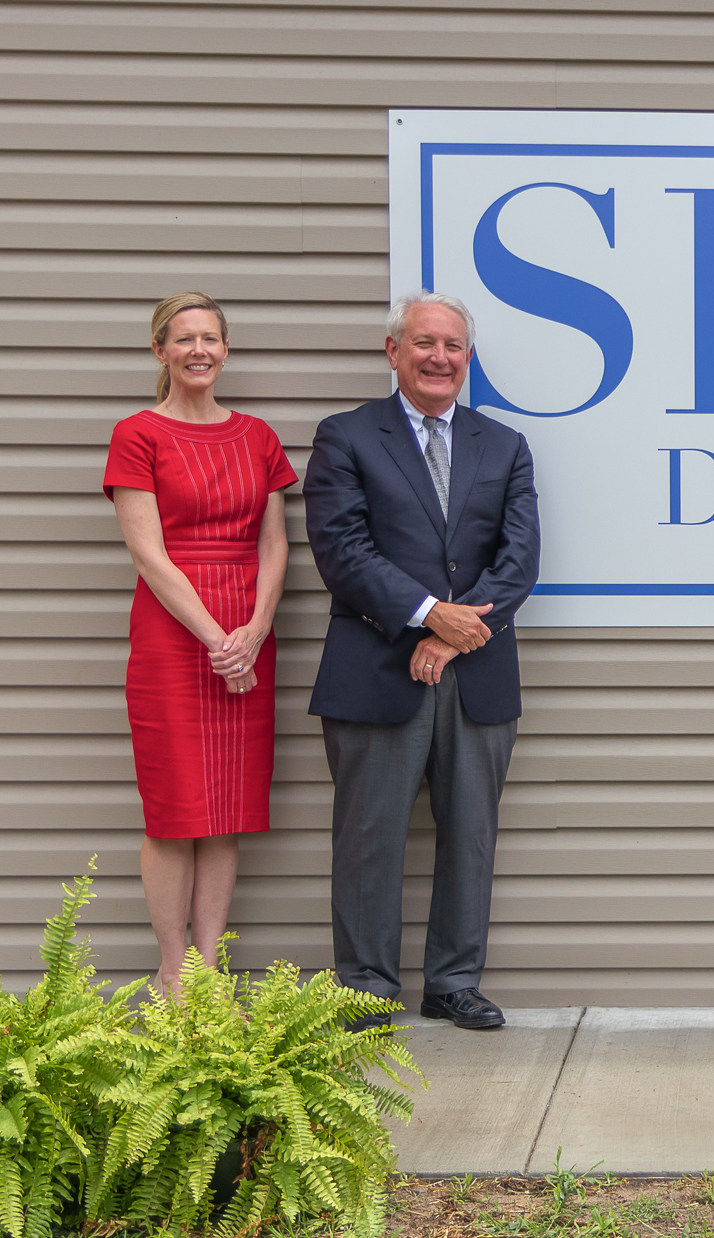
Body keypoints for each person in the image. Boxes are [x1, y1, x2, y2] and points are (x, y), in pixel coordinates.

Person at [304, 290, 539, 1030]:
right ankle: (366, 987)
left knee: (470, 835)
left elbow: (520, 557)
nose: (440, 358)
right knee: (369, 836)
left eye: (454, 347)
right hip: (377, 669)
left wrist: (455, 631)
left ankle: (453, 980)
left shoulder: (502, 445)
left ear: (468, 359)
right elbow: (342, 551)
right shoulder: (345, 437)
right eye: (426, 343)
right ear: (394, 350)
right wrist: (424, 614)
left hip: (477, 676)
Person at [105, 292, 296, 997]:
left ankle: (209, 970)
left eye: (210, 338)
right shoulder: (137, 434)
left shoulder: (256, 435)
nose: (198, 351)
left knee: (226, 809)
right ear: (160, 351)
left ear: (225, 349)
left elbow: (275, 543)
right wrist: (220, 640)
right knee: (175, 809)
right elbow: (149, 555)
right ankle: (170, 972)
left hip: (248, 633)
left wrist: (255, 628)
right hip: (174, 637)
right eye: (183, 339)